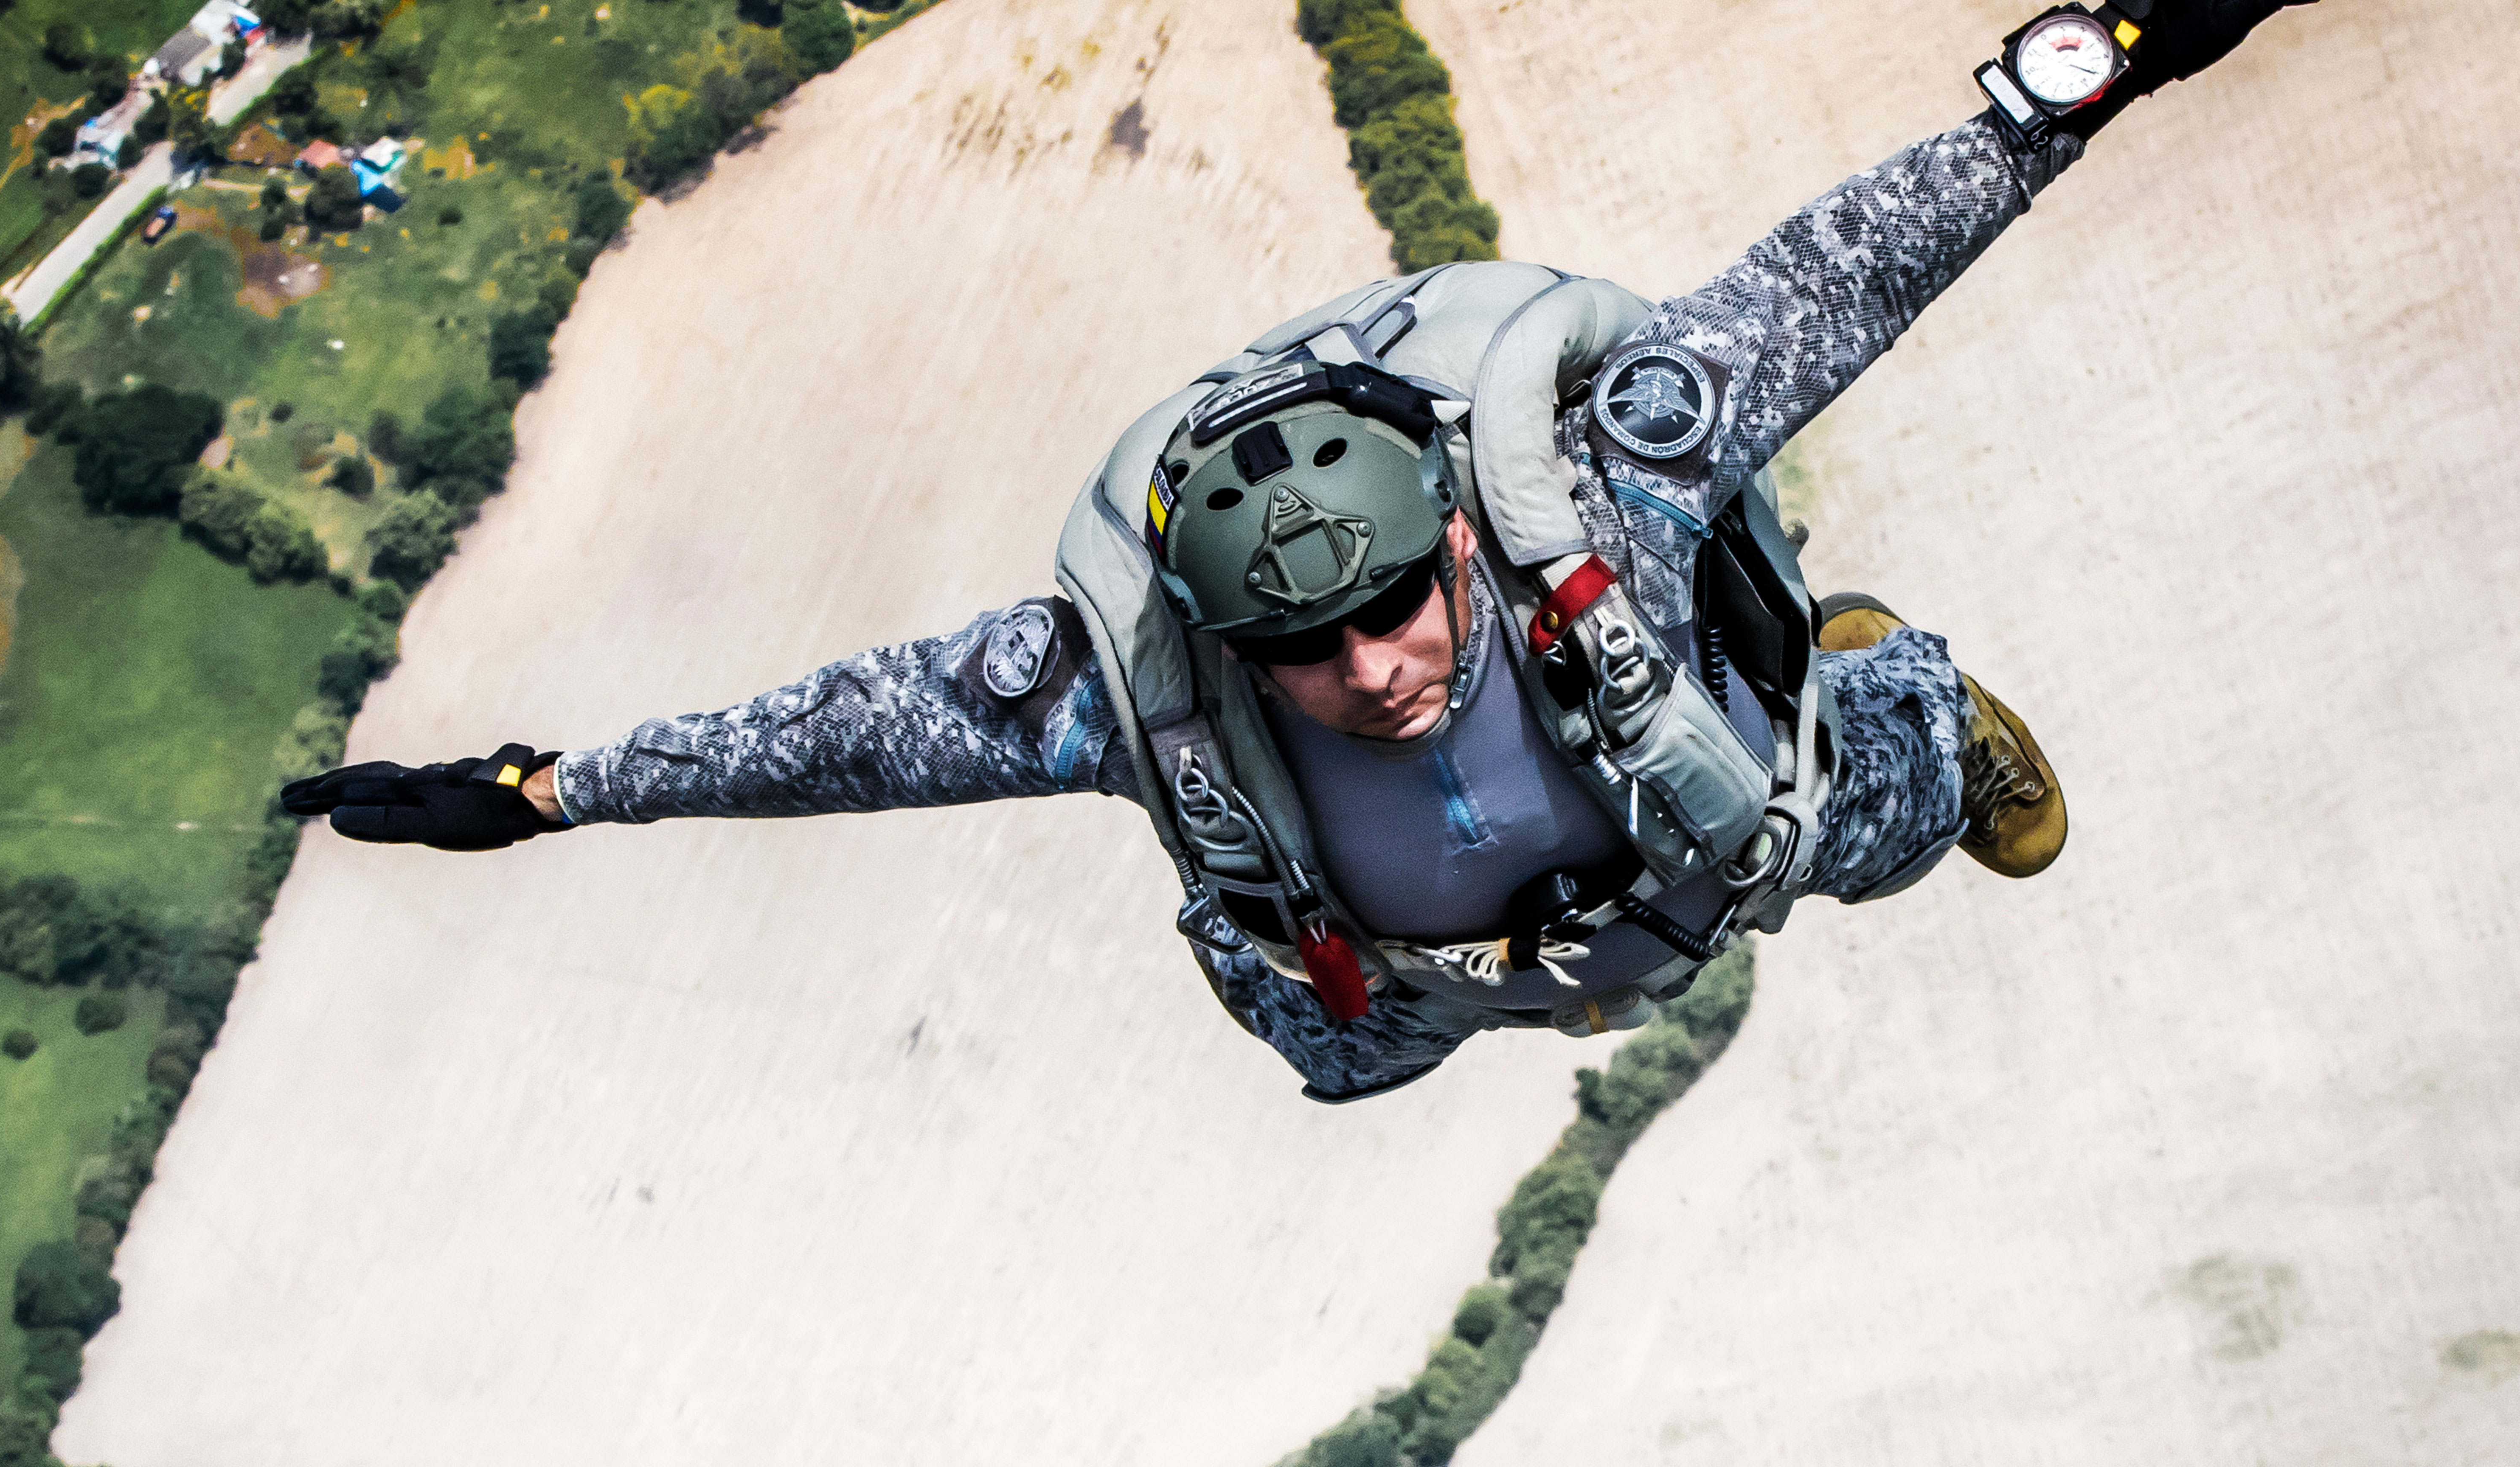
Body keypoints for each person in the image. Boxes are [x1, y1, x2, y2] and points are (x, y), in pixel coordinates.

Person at [284, 0, 2312, 1100]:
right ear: (1218, 639)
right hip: (1429, 960)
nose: (1368, 668)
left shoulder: (1598, 486)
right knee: (1329, 1055)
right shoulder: (1121, 681)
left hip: (1697, 819)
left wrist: (2089, 67)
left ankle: (1901, 695)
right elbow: (817, 738)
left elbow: (1841, 268)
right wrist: (546, 792)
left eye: (1389, 607)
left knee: (1874, 803)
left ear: (1455, 537)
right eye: (1305, 647)